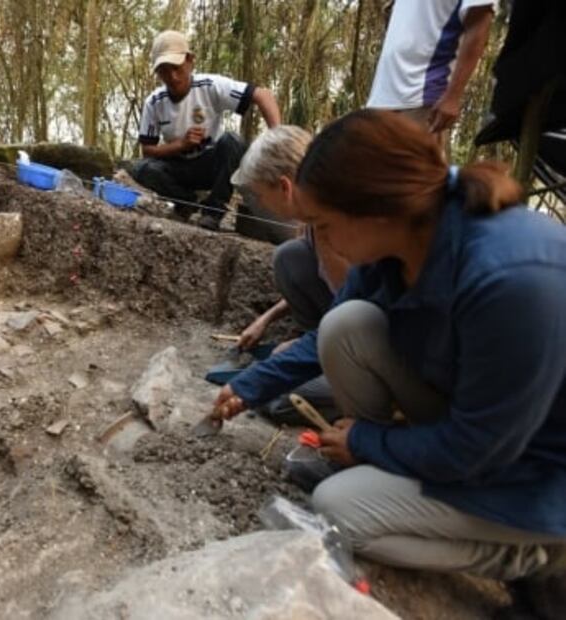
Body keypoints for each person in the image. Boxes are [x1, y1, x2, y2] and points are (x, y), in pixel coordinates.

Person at [213, 109, 566, 618]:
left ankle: (534, 556)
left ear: (372, 210)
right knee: (348, 326)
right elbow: (325, 335)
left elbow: (479, 450)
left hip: (533, 474)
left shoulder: (512, 281)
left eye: (325, 225)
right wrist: (248, 387)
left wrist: (364, 442)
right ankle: (395, 469)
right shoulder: (401, 238)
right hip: (478, 429)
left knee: (338, 510)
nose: (324, 241)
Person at [131, 30, 281, 231]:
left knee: (232, 141)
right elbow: (147, 150)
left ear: (190, 61)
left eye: (176, 68)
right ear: (157, 73)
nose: (173, 77)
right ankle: (186, 202)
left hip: (210, 165)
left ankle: (213, 212)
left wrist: (278, 139)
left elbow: (263, 95)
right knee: (142, 169)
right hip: (177, 167)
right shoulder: (154, 102)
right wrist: (180, 144)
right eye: (164, 71)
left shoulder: (210, 86)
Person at [230, 126, 348, 352]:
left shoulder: (338, 232)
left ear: (285, 187)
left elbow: (359, 313)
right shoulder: (311, 223)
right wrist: (264, 320)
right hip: (347, 325)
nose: (261, 203)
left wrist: (303, 350)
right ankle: (314, 339)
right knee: (289, 255)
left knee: (284, 370)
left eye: (261, 195)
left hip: (381, 348)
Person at [367, 0, 496, 143]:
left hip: (422, 94)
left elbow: (479, 24)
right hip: (382, 96)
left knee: (413, 164)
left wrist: (453, 97)